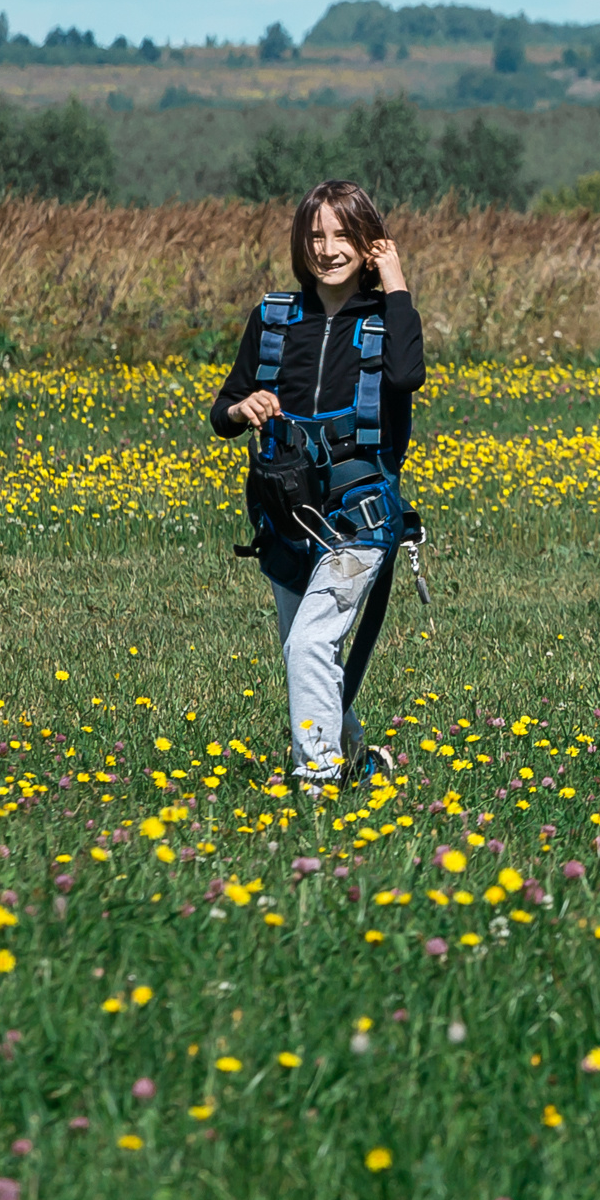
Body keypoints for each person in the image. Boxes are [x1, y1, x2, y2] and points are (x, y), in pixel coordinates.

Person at [209, 180, 424, 794]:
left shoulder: (390, 317)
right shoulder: (274, 319)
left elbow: (408, 376)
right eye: (315, 236)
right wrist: (241, 407)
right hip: (285, 519)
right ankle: (357, 757)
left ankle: (318, 779)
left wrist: (396, 280)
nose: (328, 250)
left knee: (306, 645)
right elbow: (221, 412)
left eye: (343, 236)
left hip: (359, 520)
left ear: (368, 243)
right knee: (310, 654)